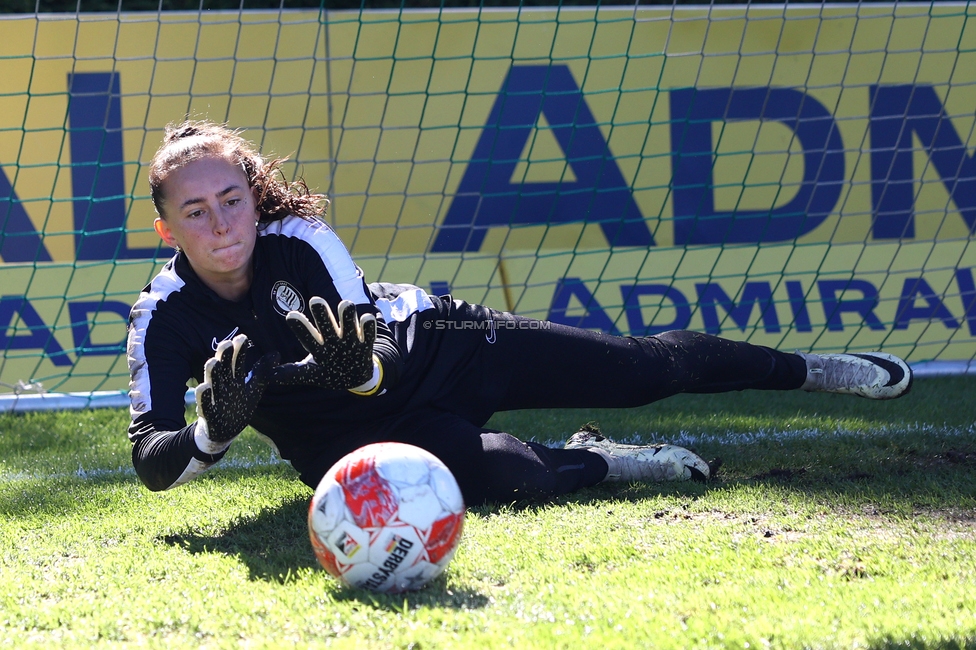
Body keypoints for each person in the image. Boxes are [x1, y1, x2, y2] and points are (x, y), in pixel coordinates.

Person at [126, 120, 913, 505]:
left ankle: (811, 370)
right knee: (512, 477)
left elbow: (380, 355)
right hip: (347, 439)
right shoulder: (161, 318)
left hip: (443, 346)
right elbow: (153, 460)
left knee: (642, 370)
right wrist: (213, 431)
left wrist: (356, 369)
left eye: (232, 199)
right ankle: (608, 461)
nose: (222, 222)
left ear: (254, 198)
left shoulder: (301, 237)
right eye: (195, 211)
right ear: (166, 228)